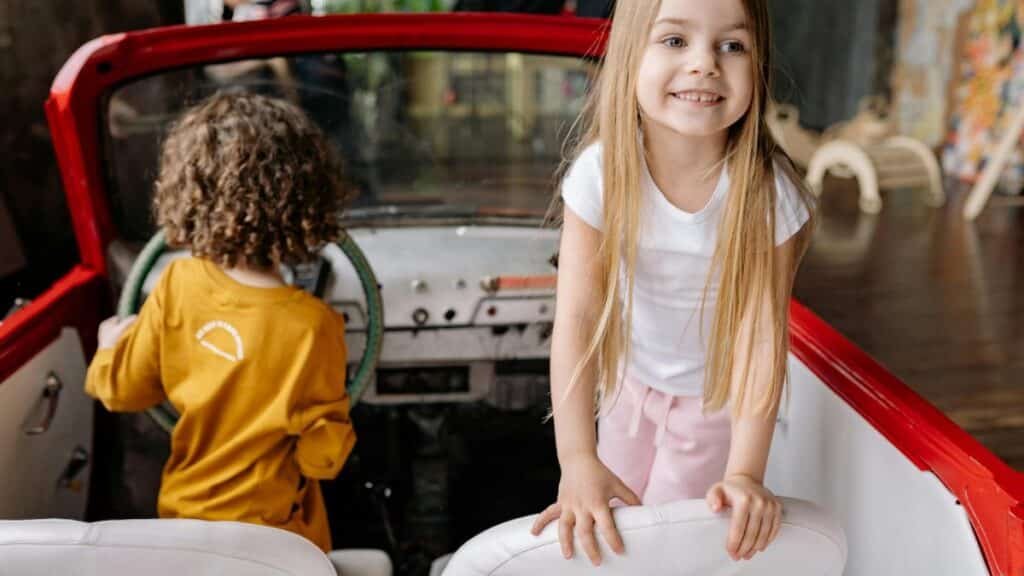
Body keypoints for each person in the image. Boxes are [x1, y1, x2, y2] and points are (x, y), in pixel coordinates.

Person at [530, 0, 815, 566]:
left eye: (732, 46)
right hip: (627, 390)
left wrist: (744, 472)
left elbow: (762, 342)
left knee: (665, 552)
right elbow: (577, 324)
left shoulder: (764, 193)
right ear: (631, 54)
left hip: (711, 406)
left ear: (756, 66)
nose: (705, 64)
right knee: (604, 534)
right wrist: (577, 460)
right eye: (676, 42)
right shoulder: (600, 173)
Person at [85, 92, 356, 553]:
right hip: (278, 538)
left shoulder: (176, 285)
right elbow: (322, 459)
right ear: (309, 199)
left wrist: (110, 346)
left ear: (190, 192)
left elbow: (123, 391)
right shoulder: (314, 325)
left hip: (185, 526)